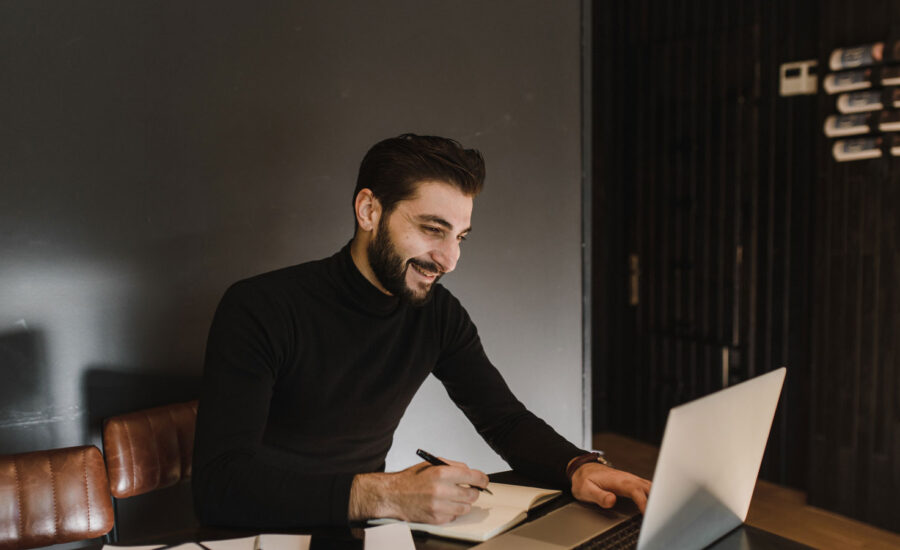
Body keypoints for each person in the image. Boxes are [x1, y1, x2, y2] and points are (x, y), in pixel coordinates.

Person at [192, 134, 651, 528]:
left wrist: (578, 467)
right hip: (261, 536)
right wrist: (385, 495)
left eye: (460, 237)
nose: (450, 260)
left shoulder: (437, 315)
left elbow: (504, 419)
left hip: (364, 533)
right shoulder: (260, 307)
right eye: (433, 229)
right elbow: (220, 485)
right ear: (369, 210)